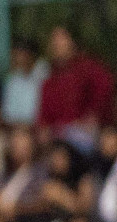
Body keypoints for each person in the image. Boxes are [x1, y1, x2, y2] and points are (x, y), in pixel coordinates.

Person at [36, 26, 115, 155]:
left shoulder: (88, 68)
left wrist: (92, 116)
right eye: (54, 40)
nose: (57, 44)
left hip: (85, 135)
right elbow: (44, 118)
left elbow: (105, 89)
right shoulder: (50, 80)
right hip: (58, 137)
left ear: (72, 41)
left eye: (61, 39)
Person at [2, 39, 49, 127]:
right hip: (16, 129)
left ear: (30, 55)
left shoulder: (46, 73)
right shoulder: (13, 80)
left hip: (40, 127)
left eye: (19, 54)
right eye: (14, 55)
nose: (15, 59)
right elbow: (8, 114)